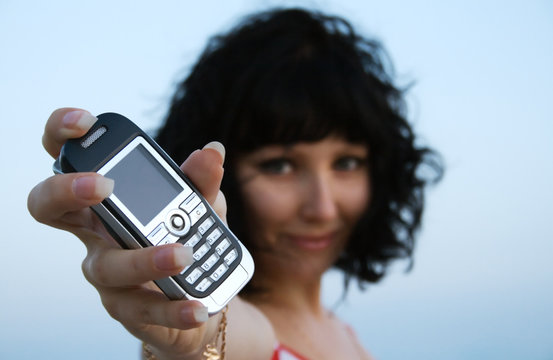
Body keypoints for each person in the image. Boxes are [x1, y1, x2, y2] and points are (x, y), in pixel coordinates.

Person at [28, 7, 442, 360]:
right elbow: (215, 337)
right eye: (279, 166)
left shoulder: (342, 331)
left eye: (347, 162)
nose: (323, 207)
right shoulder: (248, 336)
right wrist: (196, 338)